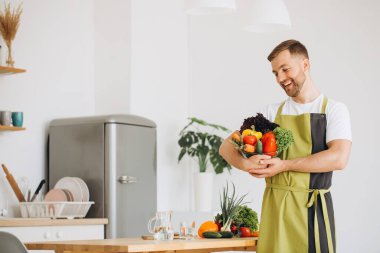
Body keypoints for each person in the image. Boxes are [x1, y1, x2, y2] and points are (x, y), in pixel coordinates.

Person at [219, 39, 352, 253]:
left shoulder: (334, 110)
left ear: (305, 65)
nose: (280, 78)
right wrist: (247, 164)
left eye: (285, 69)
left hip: (312, 209)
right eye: (275, 73)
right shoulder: (271, 113)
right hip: (275, 208)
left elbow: (339, 158)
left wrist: (284, 165)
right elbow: (226, 147)